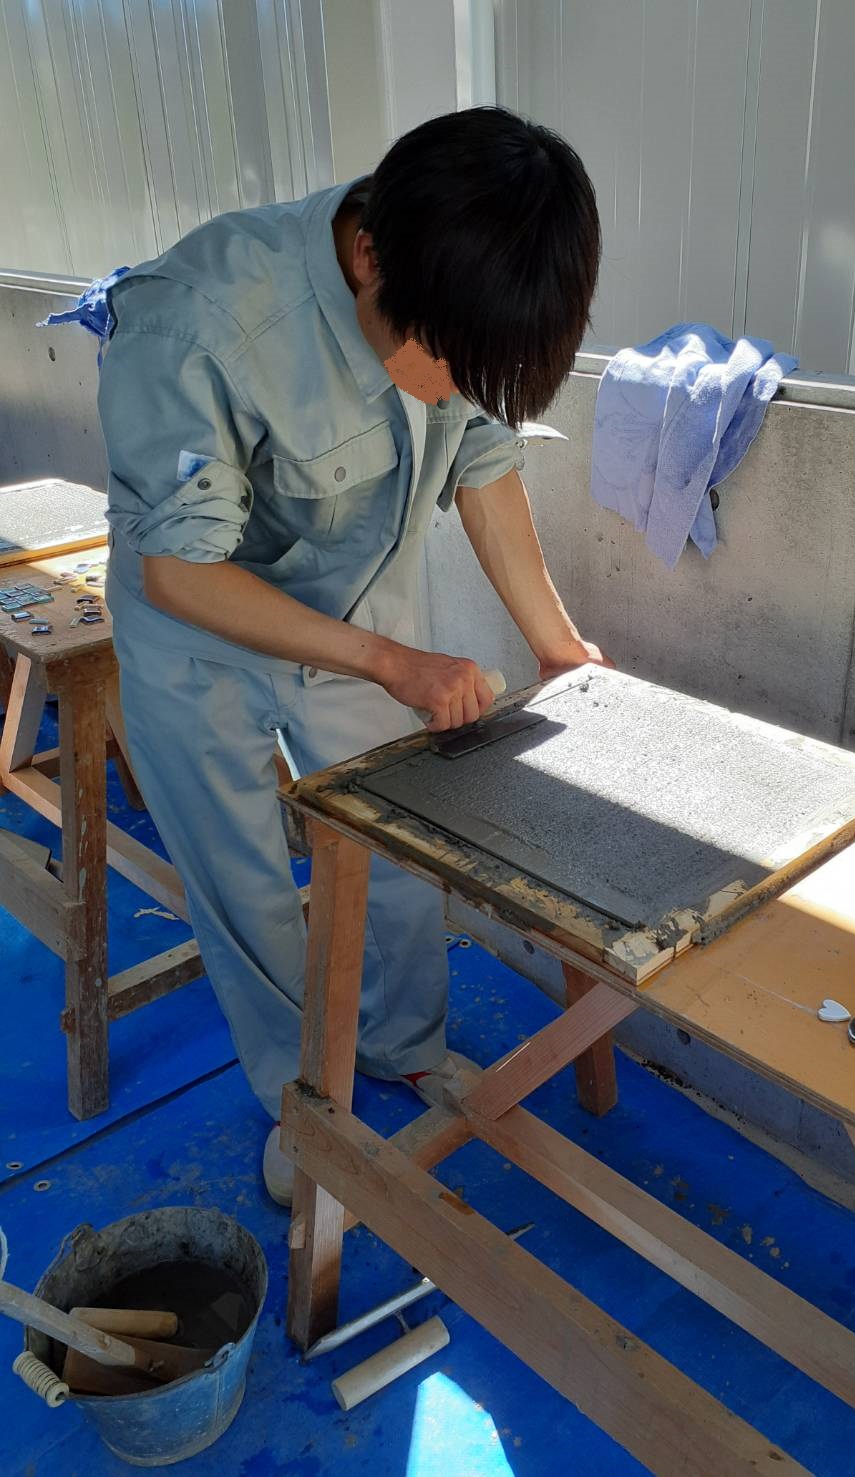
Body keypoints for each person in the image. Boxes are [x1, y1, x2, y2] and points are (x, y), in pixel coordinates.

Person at [96, 106, 604, 1204]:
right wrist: (394, 663)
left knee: (400, 847)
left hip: (360, 611)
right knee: (245, 884)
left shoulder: (452, 286)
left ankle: (404, 1044)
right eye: (443, 364)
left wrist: (560, 647)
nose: (452, 390)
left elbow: (484, 462)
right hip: (197, 632)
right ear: (366, 256)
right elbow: (179, 573)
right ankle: (303, 1101)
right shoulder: (195, 319)